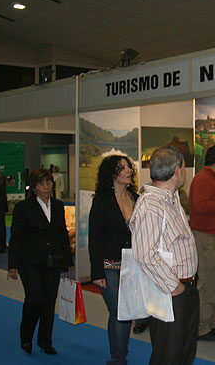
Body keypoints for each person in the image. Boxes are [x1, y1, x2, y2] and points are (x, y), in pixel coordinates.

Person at [130, 146, 199, 364]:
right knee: (168, 355)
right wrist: (174, 286)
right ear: (177, 170)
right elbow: (144, 254)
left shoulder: (171, 198)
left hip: (185, 288)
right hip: (169, 292)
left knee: (184, 352)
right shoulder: (151, 204)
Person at [7, 169, 73, 355]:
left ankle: (45, 341)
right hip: (29, 261)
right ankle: (26, 337)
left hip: (53, 260)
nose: (46, 187)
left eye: (49, 183)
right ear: (34, 187)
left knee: (49, 302)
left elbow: (62, 234)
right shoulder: (23, 208)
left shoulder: (58, 206)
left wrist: (68, 260)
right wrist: (12, 264)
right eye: (41, 184)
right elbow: (16, 238)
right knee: (34, 298)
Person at [88, 155, 138, 365]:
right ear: (112, 173)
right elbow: (94, 238)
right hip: (109, 266)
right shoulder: (102, 200)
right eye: (122, 168)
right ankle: (119, 357)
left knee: (127, 311)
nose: (129, 171)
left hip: (133, 266)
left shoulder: (136, 198)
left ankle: (120, 353)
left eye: (129, 167)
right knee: (118, 311)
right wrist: (97, 272)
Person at [188, 145, 215, 341]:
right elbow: (200, 206)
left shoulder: (211, 178)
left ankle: (209, 323)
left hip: (212, 237)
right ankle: (203, 327)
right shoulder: (204, 179)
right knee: (208, 285)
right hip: (206, 238)